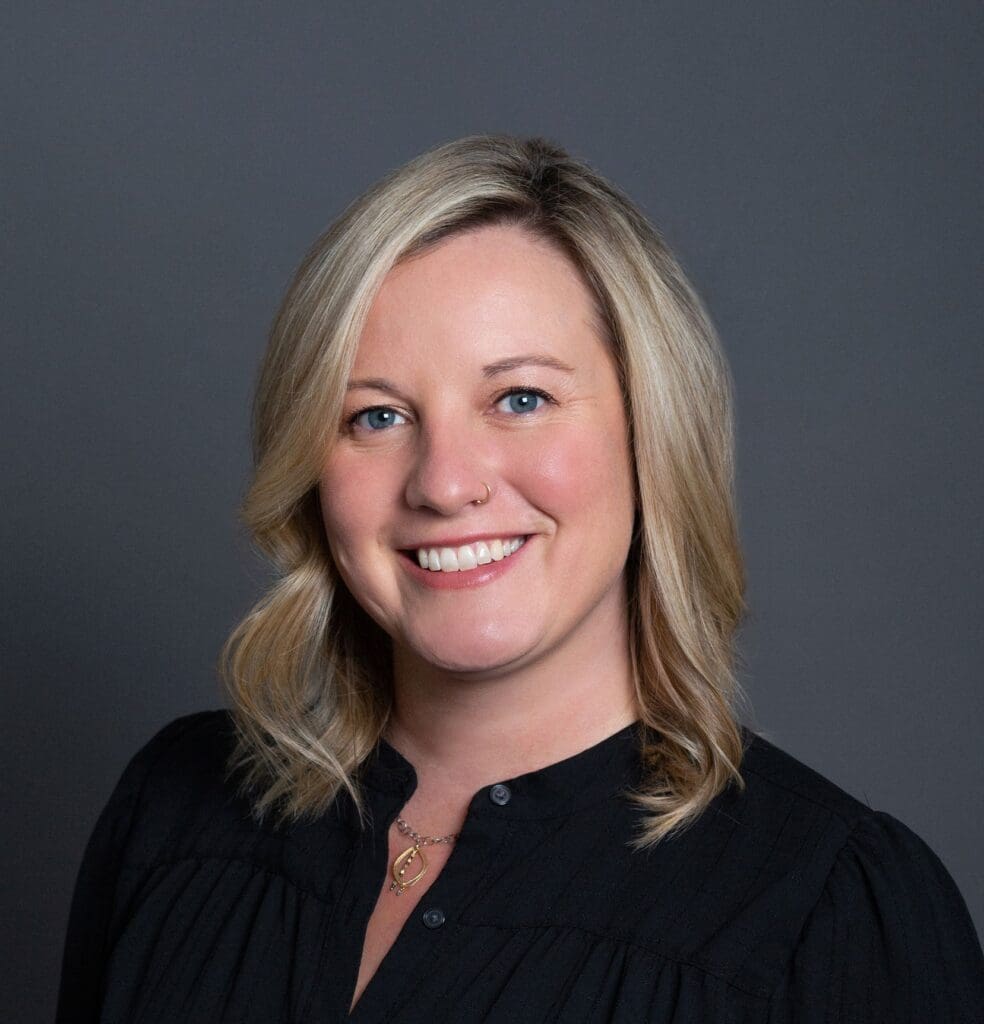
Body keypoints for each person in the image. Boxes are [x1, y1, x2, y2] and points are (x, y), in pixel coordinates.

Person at [56, 134, 983, 1023]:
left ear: (651, 433)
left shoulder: (831, 913)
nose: (446, 482)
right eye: (375, 417)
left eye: (522, 400)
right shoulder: (174, 815)